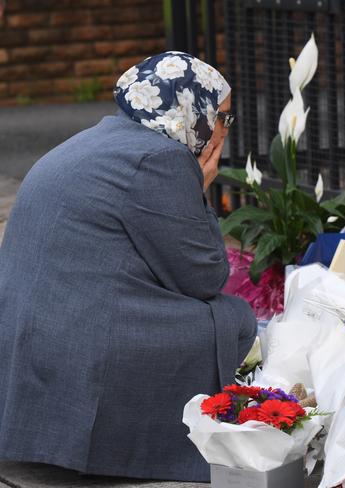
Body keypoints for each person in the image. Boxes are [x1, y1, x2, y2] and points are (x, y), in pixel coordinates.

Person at [0, 52, 256, 482]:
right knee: (235, 319)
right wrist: (200, 189)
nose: (224, 132)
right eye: (223, 118)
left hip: (29, 346)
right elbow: (203, 276)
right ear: (194, 110)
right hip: (78, 354)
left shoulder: (97, 138)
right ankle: (131, 446)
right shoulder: (162, 160)